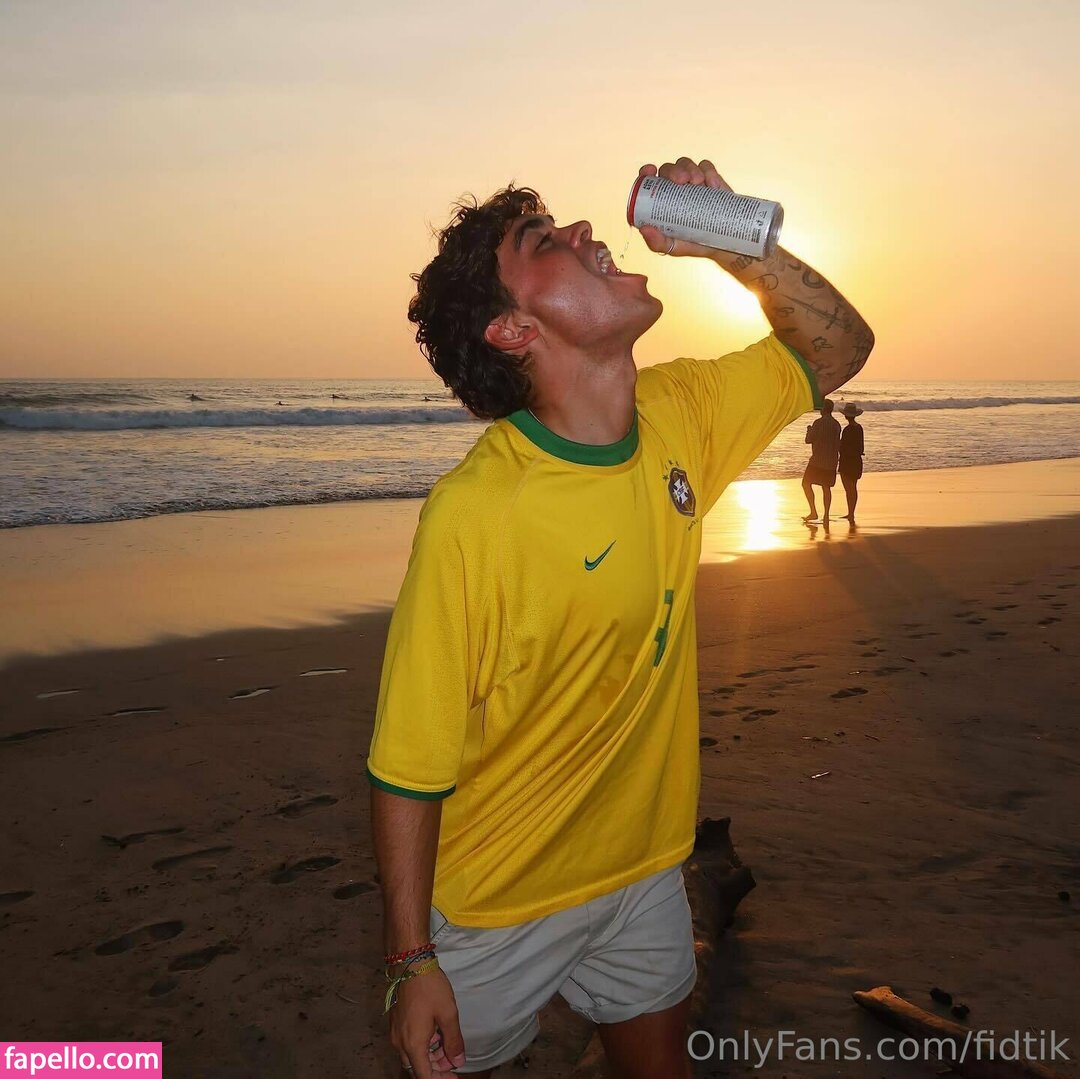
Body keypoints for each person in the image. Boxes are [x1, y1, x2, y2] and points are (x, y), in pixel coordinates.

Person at [367, 156, 874, 1078]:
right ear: (514, 328)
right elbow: (409, 765)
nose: (581, 231)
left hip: (643, 872)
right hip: (496, 901)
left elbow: (839, 348)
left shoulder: (680, 412)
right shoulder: (476, 513)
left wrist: (736, 242)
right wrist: (410, 962)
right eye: (541, 241)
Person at [801, 399, 842, 524]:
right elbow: (838, 444)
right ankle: (826, 515)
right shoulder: (836, 424)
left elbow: (808, 440)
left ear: (823, 409)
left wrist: (809, 430)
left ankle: (813, 511)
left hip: (817, 460)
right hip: (831, 461)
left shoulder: (818, 423)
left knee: (806, 483)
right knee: (826, 487)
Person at [838, 402, 865, 521]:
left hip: (847, 461)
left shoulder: (847, 430)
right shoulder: (859, 428)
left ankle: (850, 513)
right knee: (853, 488)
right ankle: (851, 512)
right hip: (856, 461)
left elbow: (842, 447)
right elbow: (861, 447)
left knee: (848, 489)